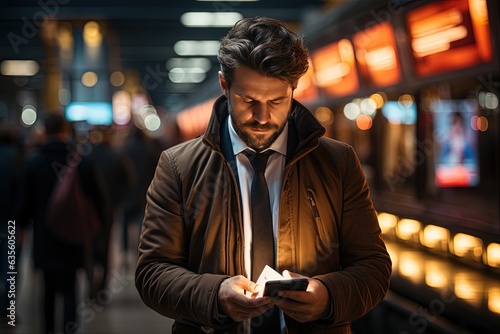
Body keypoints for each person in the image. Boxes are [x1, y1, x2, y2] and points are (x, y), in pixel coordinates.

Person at [135, 17, 391, 334]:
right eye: (248, 100)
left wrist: (327, 296)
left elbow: (374, 267)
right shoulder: (177, 167)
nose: (262, 117)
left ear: (294, 90)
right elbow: (152, 273)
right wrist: (214, 296)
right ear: (224, 85)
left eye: (277, 101)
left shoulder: (338, 162)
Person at [16, 113, 105, 334]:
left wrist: (20, 228)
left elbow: (23, 203)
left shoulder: (33, 162)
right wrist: (96, 229)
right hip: (73, 237)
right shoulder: (81, 161)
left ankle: (47, 329)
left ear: (44, 131)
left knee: (47, 290)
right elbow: (99, 200)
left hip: (44, 238)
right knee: (69, 289)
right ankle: (69, 329)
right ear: (66, 131)